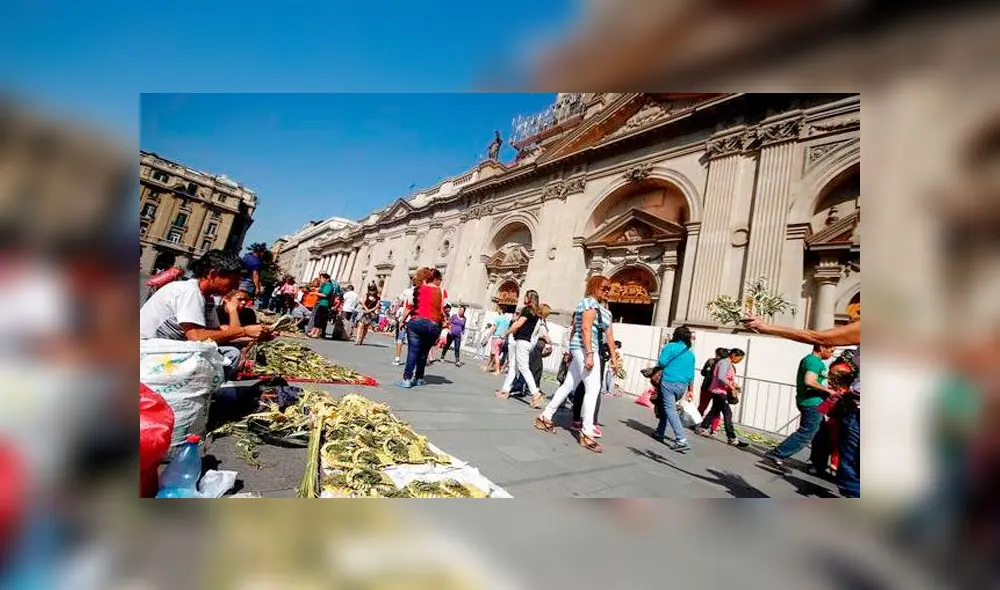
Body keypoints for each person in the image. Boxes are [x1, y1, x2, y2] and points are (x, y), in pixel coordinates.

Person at [742, 314, 860, 498]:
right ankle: (779, 455)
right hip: (819, 403)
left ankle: (811, 462)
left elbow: (820, 338)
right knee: (813, 434)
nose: (833, 351)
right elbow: (811, 375)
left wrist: (768, 328)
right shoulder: (814, 361)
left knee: (827, 443)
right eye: (831, 348)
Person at [140, 249, 269, 380]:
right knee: (227, 356)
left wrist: (252, 335)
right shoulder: (189, 291)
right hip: (149, 352)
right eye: (233, 281)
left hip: (170, 349)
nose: (235, 286)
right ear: (213, 274)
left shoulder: (206, 298)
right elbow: (197, 337)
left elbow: (217, 332)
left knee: (231, 353)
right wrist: (243, 331)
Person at [535, 276, 619, 454]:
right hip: (584, 348)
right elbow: (585, 328)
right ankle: (587, 433)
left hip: (590, 350)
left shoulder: (607, 312)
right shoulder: (587, 303)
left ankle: (545, 416)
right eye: (604, 287)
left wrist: (614, 358)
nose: (606, 290)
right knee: (593, 388)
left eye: (608, 288)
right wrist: (588, 354)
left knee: (568, 385)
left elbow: (610, 336)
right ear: (594, 286)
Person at [760, 344, 838, 469]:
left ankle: (818, 464)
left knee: (822, 434)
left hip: (816, 402)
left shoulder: (813, 361)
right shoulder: (814, 361)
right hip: (812, 403)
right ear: (822, 347)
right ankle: (776, 454)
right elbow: (809, 381)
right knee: (807, 432)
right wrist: (829, 391)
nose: (832, 354)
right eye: (831, 350)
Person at [395, 267, 446, 388]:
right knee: (424, 352)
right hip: (433, 325)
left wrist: (402, 321)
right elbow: (442, 311)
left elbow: (409, 307)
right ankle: (419, 378)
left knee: (413, 351)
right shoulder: (442, 291)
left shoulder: (417, 289)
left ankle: (407, 379)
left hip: (417, 322)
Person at [496, 290, 546, 406]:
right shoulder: (536, 313)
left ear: (529, 298)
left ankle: (535, 393)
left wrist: (506, 333)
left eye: (525, 296)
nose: (524, 298)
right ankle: (505, 390)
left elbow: (518, 324)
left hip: (523, 341)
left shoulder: (527, 310)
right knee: (513, 366)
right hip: (525, 342)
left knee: (523, 367)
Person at [652, 325, 697, 452]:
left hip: (669, 382)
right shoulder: (690, 354)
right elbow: (692, 373)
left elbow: (661, 362)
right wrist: (690, 390)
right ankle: (660, 432)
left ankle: (681, 439)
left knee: (670, 409)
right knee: (667, 407)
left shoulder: (670, 347)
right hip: (683, 385)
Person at [695, 348, 750, 448]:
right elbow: (721, 377)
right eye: (739, 358)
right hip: (719, 391)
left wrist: (734, 385)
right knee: (727, 413)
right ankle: (732, 437)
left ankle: (703, 428)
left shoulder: (726, 363)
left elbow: (725, 378)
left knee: (714, 411)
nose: (739, 361)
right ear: (733, 355)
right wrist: (732, 386)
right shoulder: (725, 363)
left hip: (719, 390)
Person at [698, 348, 729, 435]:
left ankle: (698, 423)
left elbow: (703, 372)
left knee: (704, 406)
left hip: (708, 386)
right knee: (716, 409)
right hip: (717, 389)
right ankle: (713, 428)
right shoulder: (725, 364)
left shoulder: (711, 361)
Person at [307, 273, 334, 339]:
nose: (320, 280)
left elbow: (325, 294)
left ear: (327, 279)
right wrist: (314, 289)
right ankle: (313, 331)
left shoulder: (329, 286)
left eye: (322, 278)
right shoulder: (324, 285)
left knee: (319, 319)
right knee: (316, 318)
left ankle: (317, 333)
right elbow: (319, 289)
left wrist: (314, 293)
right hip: (320, 303)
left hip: (324, 304)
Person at [488, 305, 512, 374]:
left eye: (499, 309)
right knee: (496, 353)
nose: (498, 310)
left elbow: (494, 328)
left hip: (496, 337)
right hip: (503, 339)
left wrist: (488, 336)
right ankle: (490, 366)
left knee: (496, 354)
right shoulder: (507, 320)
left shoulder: (498, 318)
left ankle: (497, 370)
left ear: (501, 310)